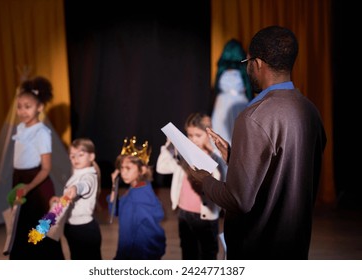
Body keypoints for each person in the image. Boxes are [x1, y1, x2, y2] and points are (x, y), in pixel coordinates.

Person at [184, 25, 327, 260]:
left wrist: (205, 181)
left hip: (258, 248)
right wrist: (234, 156)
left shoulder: (253, 117)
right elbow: (288, 170)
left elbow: (238, 200)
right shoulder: (311, 111)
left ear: (256, 63)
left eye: (247, 62)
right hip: (296, 248)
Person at [156, 113, 227, 259]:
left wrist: (212, 152)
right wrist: (168, 146)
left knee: (208, 254)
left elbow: (222, 180)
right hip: (184, 212)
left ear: (209, 133)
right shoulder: (184, 156)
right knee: (188, 252)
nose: (193, 140)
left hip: (206, 216)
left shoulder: (216, 158)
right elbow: (161, 168)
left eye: (198, 135)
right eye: (190, 135)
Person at [9, 76, 64, 260]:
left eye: (28, 106)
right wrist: (19, 186)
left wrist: (29, 187)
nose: (22, 111)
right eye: (19, 106)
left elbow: (46, 168)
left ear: (39, 107)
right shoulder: (20, 128)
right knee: (22, 228)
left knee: (41, 230)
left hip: (37, 186)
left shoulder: (41, 132)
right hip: (20, 182)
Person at [107, 137, 166, 260]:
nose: (123, 173)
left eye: (128, 168)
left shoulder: (140, 197)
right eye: (122, 168)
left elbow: (151, 233)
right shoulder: (136, 189)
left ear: (142, 170)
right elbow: (115, 210)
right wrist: (114, 185)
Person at [50, 138, 102, 259]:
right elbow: (67, 201)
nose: (75, 159)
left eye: (80, 155)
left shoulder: (89, 176)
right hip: (72, 228)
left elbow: (84, 185)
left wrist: (76, 188)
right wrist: (59, 199)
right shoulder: (77, 174)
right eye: (72, 156)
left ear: (91, 156)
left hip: (84, 230)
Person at [211, 39, 252, 145]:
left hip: (230, 104)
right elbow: (249, 90)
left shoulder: (222, 72)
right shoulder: (242, 72)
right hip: (233, 104)